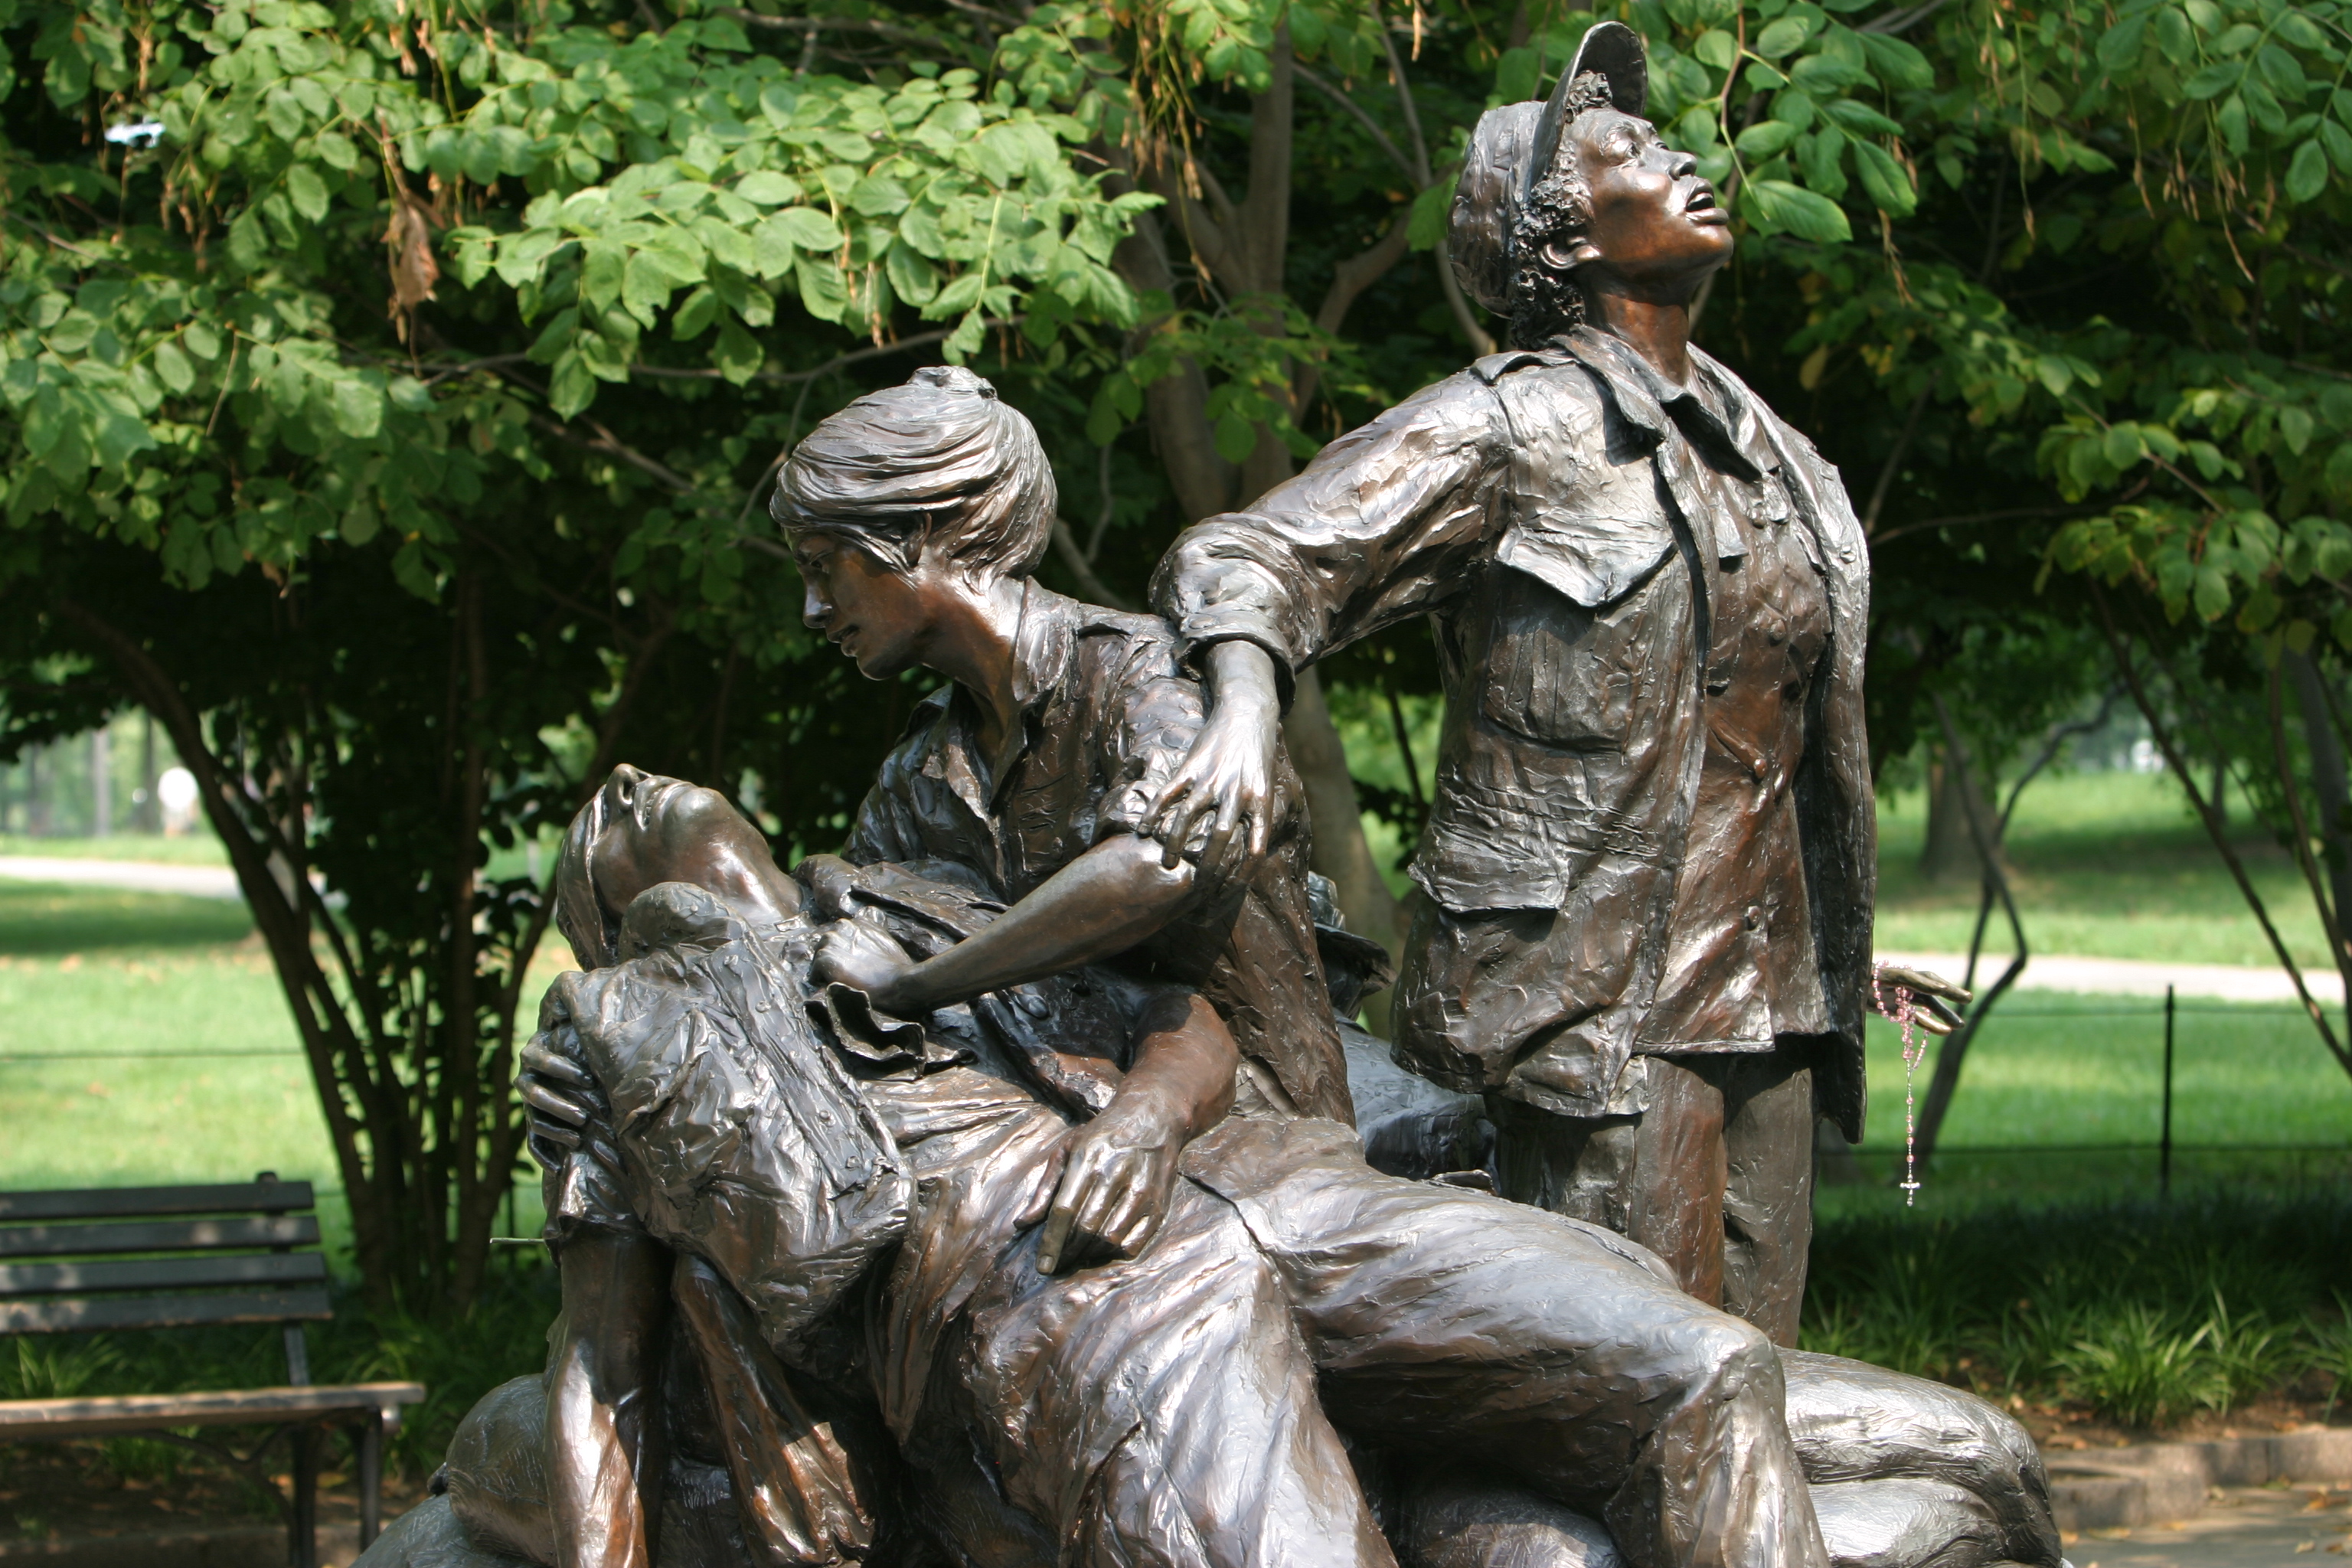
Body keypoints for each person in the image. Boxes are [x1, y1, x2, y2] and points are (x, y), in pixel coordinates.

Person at [1140, 23, 1963, 1344]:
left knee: (1767, 1385)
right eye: (1630, 150)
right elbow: (1243, 560)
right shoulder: (1509, 425)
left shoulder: (1787, 458)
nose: (1683, 155)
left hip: (1770, 1002)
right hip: (1593, 1011)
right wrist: (1243, 711)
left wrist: (1844, 937)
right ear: (1563, 241)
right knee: (1643, 1391)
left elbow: (1767, 740)